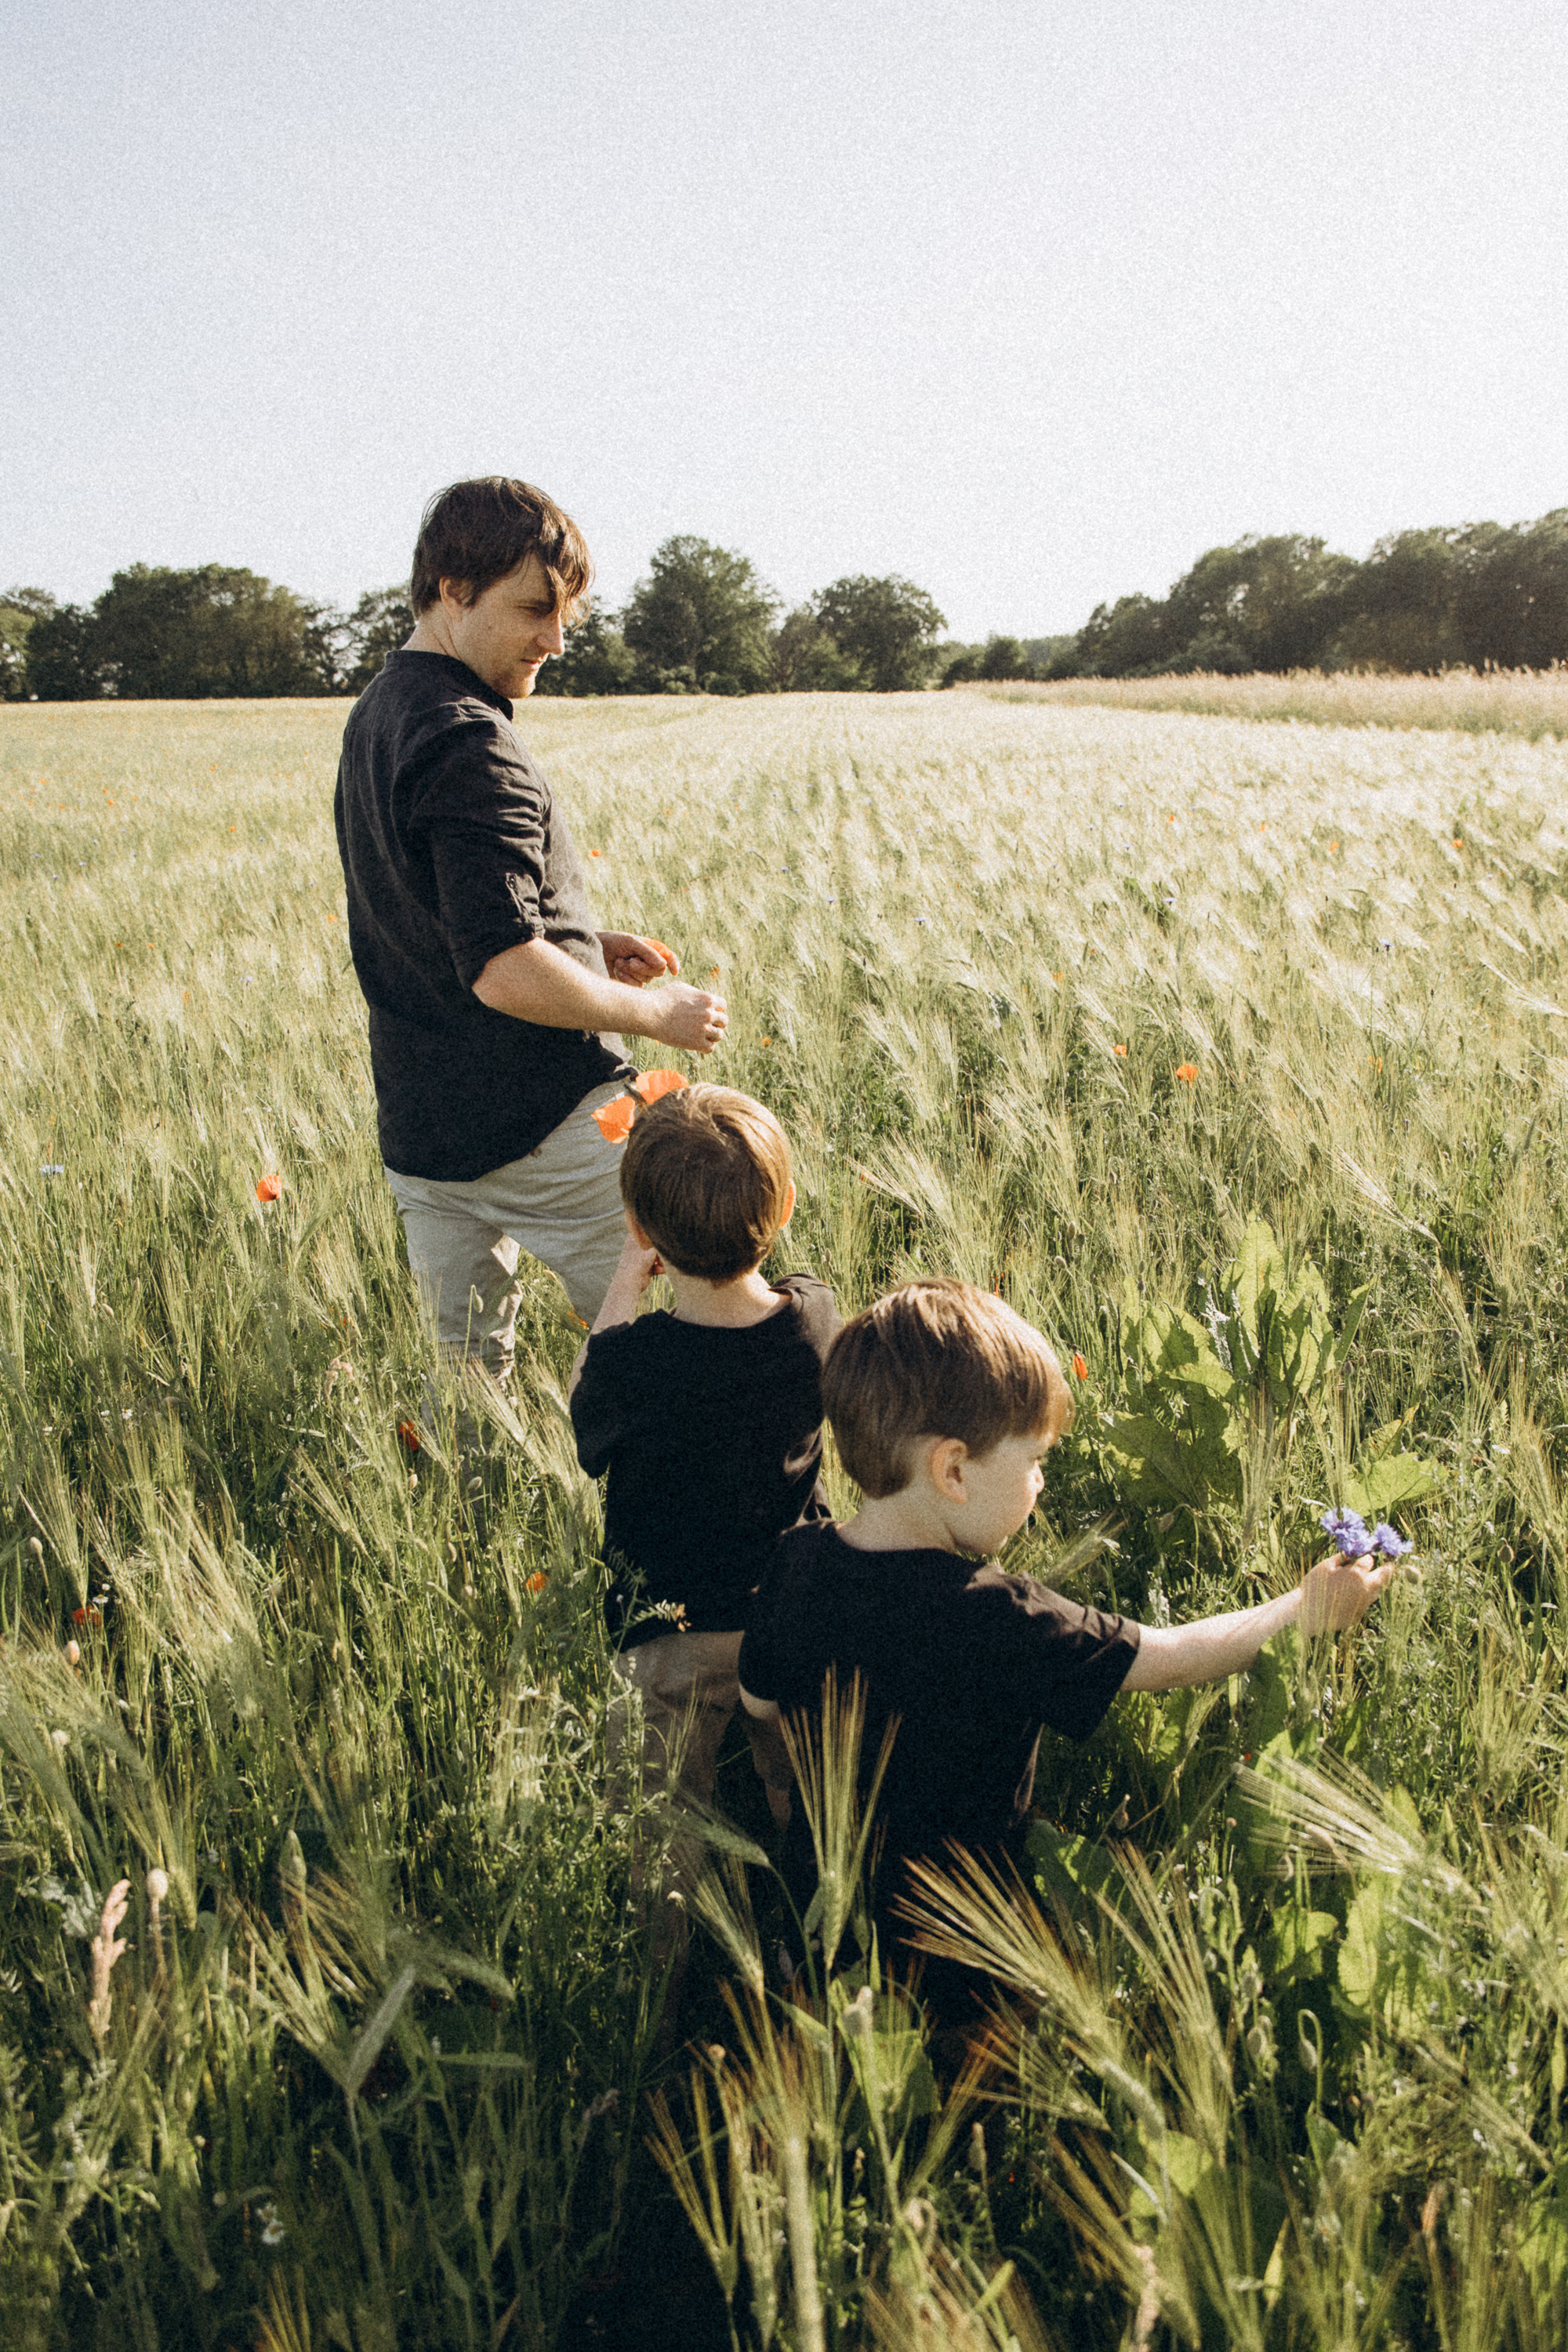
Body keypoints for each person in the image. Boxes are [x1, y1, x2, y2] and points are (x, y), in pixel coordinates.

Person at [738, 1277, 1396, 2020]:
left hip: (823, 1935)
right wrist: (1307, 1609)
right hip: (966, 1965)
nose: (1041, 1483)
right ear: (953, 1471)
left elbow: (759, 1707)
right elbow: (1172, 1657)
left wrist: (786, 1792)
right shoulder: (1000, 1618)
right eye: (1033, 1461)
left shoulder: (797, 1562)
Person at [334, 477, 727, 1393]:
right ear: (452, 588)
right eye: (533, 609)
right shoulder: (470, 741)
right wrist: (655, 1014)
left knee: (470, 1385)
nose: (555, 640)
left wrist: (578, 941)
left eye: (565, 615)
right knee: (683, 1356)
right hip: (547, 1123)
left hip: (424, 1134)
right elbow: (506, 970)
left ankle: (473, 1496)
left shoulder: (379, 713)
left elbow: (439, 908)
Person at [568, 1084, 841, 1992]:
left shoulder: (630, 1364)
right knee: (801, 1792)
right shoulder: (811, 1320)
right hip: (787, 1619)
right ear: (784, 1206)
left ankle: (661, 1988)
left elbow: (584, 1418)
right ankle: (808, 1940)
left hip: (666, 1637)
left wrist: (624, 1274)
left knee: (660, 1822)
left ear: (641, 1227)